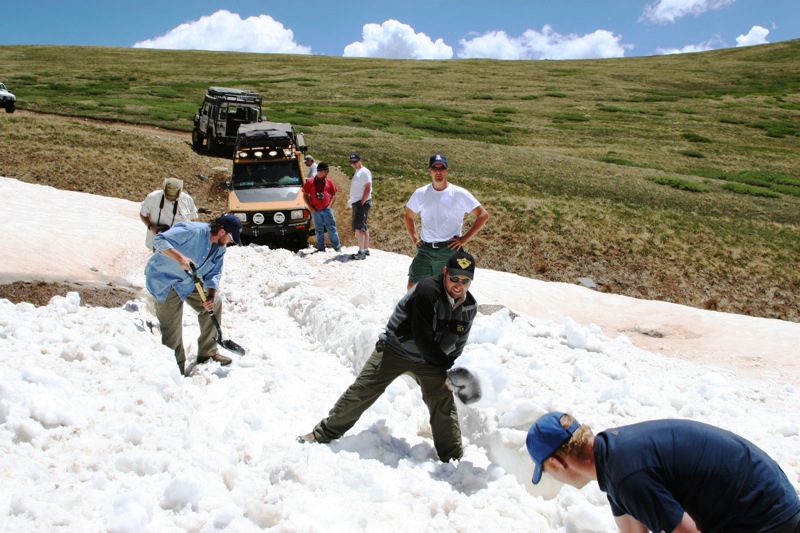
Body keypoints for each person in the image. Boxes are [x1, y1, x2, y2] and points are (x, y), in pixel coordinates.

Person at [297, 250, 479, 462]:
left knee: (443, 403)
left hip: (430, 360)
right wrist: (444, 368)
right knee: (362, 391)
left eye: (465, 281)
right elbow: (422, 337)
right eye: (454, 278)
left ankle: (453, 460)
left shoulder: (468, 307)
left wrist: (449, 372)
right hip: (395, 350)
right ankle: (321, 434)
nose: (459, 284)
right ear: (445, 272)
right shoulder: (427, 290)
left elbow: (458, 344)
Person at [526, 412, 800, 533]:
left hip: (766, 517)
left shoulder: (626, 476)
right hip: (767, 500)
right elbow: (633, 531)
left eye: (548, 472)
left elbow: (686, 532)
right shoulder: (612, 457)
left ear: (557, 464)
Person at [145, 214, 243, 376]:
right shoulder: (192, 231)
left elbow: (213, 274)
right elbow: (159, 240)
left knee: (215, 302)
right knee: (172, 329)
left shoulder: (220, 248)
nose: (231, 241)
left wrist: (210, 297)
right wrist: (179, 258)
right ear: (221, 231)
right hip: (165, 281)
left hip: (189, 282)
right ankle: (176, 369)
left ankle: (208, 352)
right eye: (231, 237)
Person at [405, 154, 489, 290]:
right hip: (425, 250)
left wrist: (464, 239)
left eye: (442, 168)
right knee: (413, 286)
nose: (438, 172)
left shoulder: (459, 193)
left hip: (448, 250)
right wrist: (414, 238)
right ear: (430, 171)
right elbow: (408, 216)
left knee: (445, 288)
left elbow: (483, 215)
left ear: (447, 170)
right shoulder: (420, 193)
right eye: (435, 168)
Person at [139, 178, 199, 250]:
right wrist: (151, 227)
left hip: (178, 243)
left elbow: (193, 220)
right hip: (156, 241)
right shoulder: (153, 197)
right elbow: (143, 214)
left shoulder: (187, 200)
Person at [302, 162, 342, 252]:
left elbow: (334, 195)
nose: (327, 173)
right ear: (322, 171)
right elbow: (305, 195)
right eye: (326, 171)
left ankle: (337, 247)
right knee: (318, 229)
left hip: (327, 209)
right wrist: (310, 208)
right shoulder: (310, 182)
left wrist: (330, 206)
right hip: (315, 210)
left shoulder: (329, 181)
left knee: (331, 228)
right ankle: (321, 248)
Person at [347, 152, 372, 260]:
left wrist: (361, 202)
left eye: (355, 162)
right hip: (358, 201)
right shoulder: (359, 171)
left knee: (359, 228)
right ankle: (365, 249)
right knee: (363, 226)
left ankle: (361, 252)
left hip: (361, 202)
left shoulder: (364, 172)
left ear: (360, 161)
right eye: (352, 163)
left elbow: (367, 188)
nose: (354, 164)